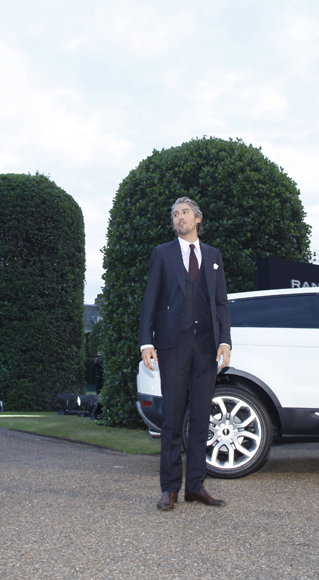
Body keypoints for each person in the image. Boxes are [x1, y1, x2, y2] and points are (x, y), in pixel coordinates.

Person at [139, 197, 232, 511]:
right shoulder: (162, 253)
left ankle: (195, 487)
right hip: (173, 345)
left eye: (185, 213)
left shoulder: (213, 255)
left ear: (197, 219)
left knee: (201, 417)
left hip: (206, 346)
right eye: (175, 214)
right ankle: (170, 489)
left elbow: (221, 302)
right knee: (172, 418)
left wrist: (225, 341)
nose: (179, 217)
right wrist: (146, 342)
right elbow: (150, 299)